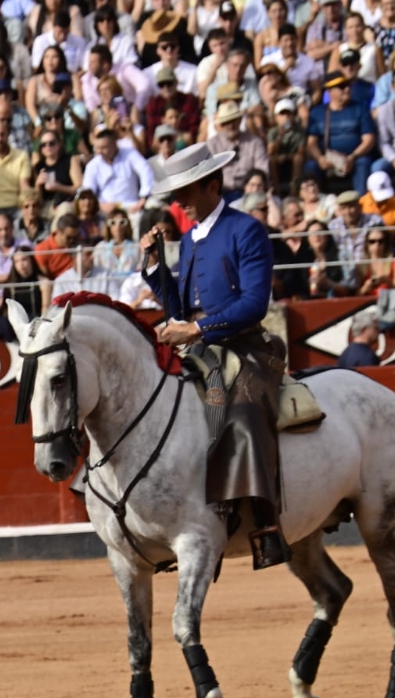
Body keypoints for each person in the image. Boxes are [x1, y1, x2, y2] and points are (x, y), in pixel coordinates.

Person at [140, 142, 289, 569]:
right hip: (202, 347)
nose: (177, 201)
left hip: (248, 346)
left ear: (212, 183)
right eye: (175, 192)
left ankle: (266, 526)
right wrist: (155, 269)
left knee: (240, 411)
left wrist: (198, 328)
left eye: (185, 189)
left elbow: (255, 304)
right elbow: (179, 311)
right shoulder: (187, 241)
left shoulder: (247, 229)